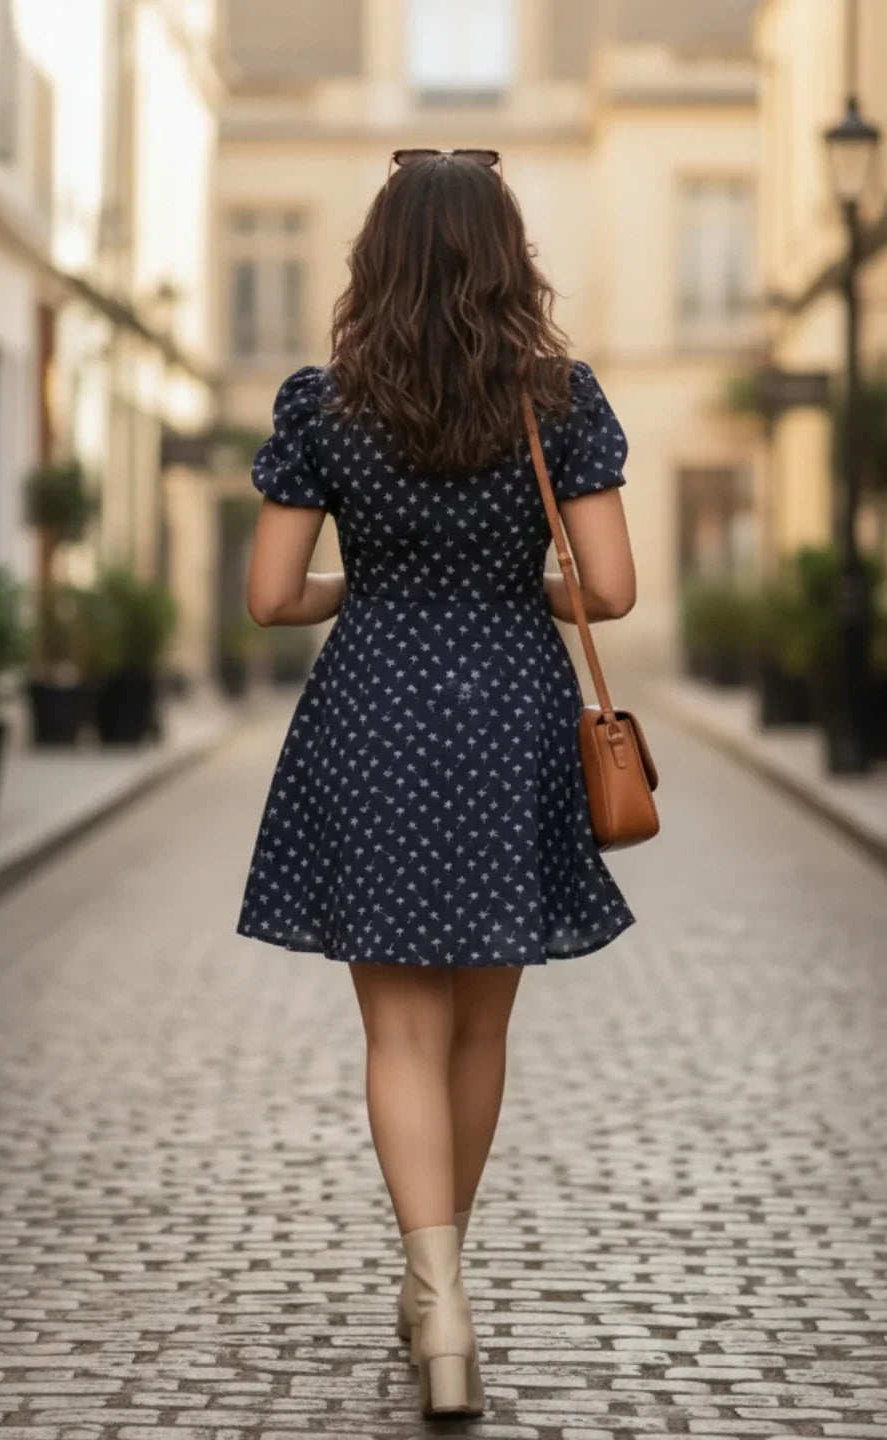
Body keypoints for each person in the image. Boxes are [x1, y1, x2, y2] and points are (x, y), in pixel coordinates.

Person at [235, 148, 637, 1418]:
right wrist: (527, 578)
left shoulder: (325, 402)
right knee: (479, 1025)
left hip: (375, 710)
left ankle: (437, 1297)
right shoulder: (557, 401)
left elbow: (268, 599)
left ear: (376, 260)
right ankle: (450, 1293)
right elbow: (611, 590)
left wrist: (371, 585)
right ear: (508, 254)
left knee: (398, 1029)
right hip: (513, 708)